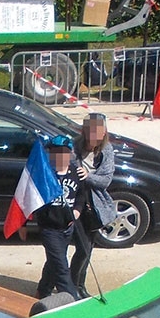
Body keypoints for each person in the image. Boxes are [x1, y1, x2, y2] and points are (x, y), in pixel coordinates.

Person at [33, 135, 86, 300]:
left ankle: (42, 291)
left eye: (64, 153)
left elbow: (82, 195)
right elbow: (32, 198)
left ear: (70, 154)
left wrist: (77, 210)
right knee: (62, 266)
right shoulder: (45, 174)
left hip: (67, 227)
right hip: (49, 229)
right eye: (55, 153)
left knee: (53, 262)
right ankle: (71, 299)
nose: (60, 156)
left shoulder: (76, 172)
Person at [69, 113, 116, 297]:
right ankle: (71, 285)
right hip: (76, 202)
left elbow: (105, 180)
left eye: (100, 133)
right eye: (92, 133)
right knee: (81, 247)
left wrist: (89, 176)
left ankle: (80, 285)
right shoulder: (74, 147)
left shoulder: (106, 150)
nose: (96, 138)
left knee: (88, 248)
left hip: (94, 205)